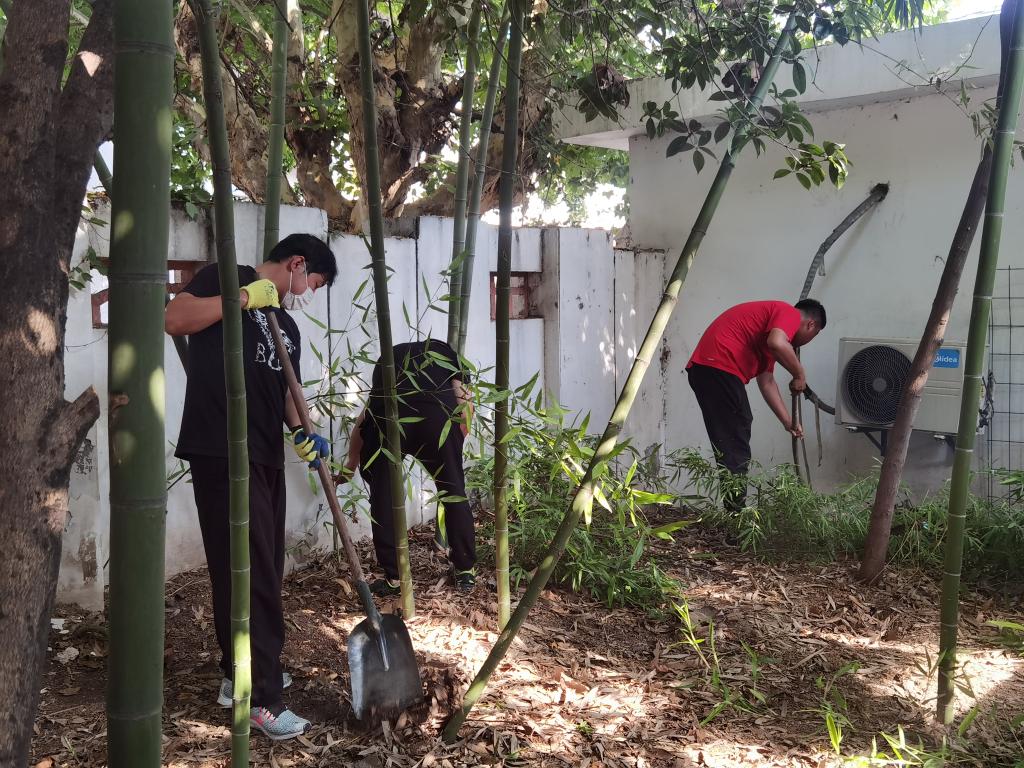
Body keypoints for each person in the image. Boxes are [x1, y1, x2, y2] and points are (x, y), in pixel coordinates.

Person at [165, 233, 338, 741]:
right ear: (297, 263)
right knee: (251, 571)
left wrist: (304, 431)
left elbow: (288, 389)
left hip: (264, 454)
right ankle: (262, 698)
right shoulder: (227, 278)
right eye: (313, 283)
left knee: (257, 566)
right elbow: (175, 319)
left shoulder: (286, 324)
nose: (307, 295)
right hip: (221, 448)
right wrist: (243, 297)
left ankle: (236, 671)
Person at [341, 338, 476, 595]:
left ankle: (395, 577)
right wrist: (454, 446)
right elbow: (464, 403)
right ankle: (465, 570)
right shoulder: (447, 355)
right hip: (437, 418)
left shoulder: (388, 358)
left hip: (389, 417)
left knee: (384, 495)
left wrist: (351, 462)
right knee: (453, 490)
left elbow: (366, 416)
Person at [686, 299, 826, 511]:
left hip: (709, 369)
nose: (806, 342)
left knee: (732, 436)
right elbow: (777, 342)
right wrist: (800, 374)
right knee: (736, 436)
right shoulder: (789, 313)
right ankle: (736, 515)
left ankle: (734, 510)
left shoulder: (767, 338)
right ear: (811, 325)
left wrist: (788, 422)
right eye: (814, 336)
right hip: (718, 366)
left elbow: (767, 382)